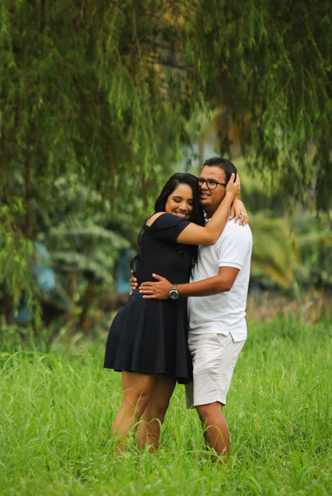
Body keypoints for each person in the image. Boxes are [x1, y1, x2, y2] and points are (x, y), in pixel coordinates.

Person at [105, 171, 241, 453]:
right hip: (146, 317)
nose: (183, 207)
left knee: (156, 408)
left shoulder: (183, 231)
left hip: (171, 321)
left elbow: (210, 219)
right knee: (135, 403)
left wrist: (237, 203)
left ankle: (149, 470)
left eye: (190, 202)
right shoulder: (160, 220)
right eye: (176, 199)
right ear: (164, 199)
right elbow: (210, 234)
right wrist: (230, 195)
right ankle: (115, 470)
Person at [137, 157, 253, 463]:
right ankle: (145, 466)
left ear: (230, 185)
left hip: (219, 330)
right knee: (166, 405)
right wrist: (142, 275)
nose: (204, 186)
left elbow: (225, 281)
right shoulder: (201, 224)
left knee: (207, 405)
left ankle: (224, 474)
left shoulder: (236, 230)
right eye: (202, 180)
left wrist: (173, 290)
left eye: (213, 182)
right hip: (191, 327)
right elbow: (160, 253)